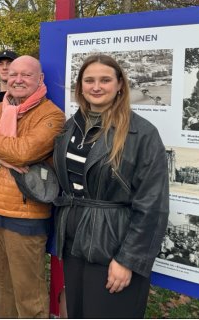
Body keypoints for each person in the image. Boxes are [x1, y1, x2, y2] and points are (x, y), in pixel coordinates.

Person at [52, 54, 169, 318]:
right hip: (74, 242)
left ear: (119, 85)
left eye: (105, 80)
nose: (96, 86)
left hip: (113, 244)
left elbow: (153, 205)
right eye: (89, 80)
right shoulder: (71, 127)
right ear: (80, 86)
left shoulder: (141, 133)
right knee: (79, 311)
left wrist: (128, 259)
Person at [0, 55, 65, 318]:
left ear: (40, 79)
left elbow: (24, 151)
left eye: (26, 75)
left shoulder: (52, 115)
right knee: (0, 288)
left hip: (24, 215)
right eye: (13, 74)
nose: (18, 79)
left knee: (28, 293)